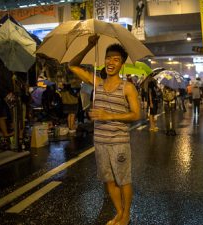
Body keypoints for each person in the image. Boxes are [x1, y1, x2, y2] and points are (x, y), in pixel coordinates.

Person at [69, 34, 140, 225]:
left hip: (119, 142)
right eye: (108, 58)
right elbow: (72, 66)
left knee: (123, 180)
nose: (111, 62)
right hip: (100, 142)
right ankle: (118, 212)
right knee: (109, 180)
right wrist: (88, 46)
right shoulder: (97, 83)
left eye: (116, 59)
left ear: (121, 64)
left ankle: (126, 216)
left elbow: (135, 115)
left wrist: (109, 116)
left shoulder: (128, 88)